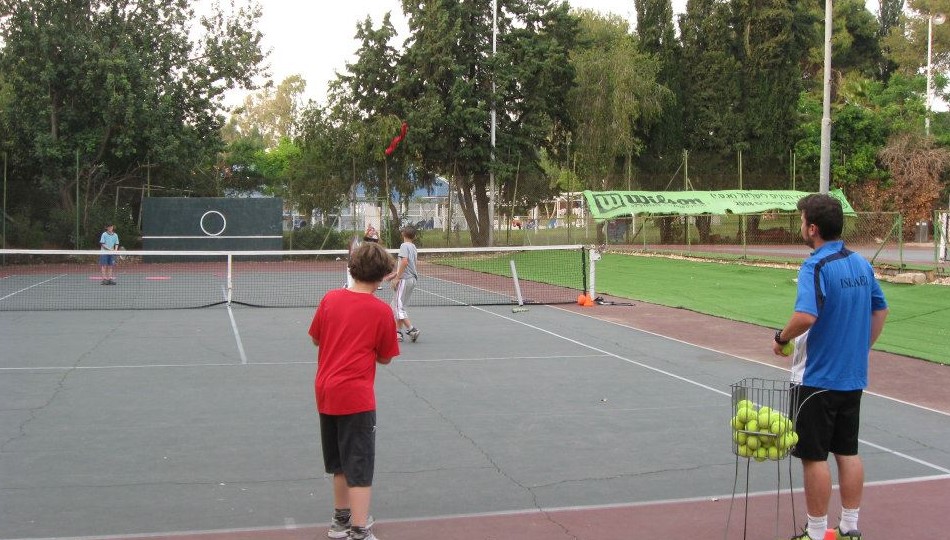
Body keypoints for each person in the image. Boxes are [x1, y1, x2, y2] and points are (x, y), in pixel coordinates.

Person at [773, 194, 888, 540]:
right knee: (847, 452)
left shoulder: (815, 266)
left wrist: (780, 337)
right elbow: (880, 310)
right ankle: (850, 528)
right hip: (851, 378)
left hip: (816, 380)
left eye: (802, 220)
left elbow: (806, 315)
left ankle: (817, 531)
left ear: (813, 228)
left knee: (813, 456)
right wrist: (861, 348)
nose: (800, 227)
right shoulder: (860, 264)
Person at [309, 241, 399, 540]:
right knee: (358, 462)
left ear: (352, 268)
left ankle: (340, 520)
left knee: (338, 462)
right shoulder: (381, 311)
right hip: (356, 398)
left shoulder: (330, 299)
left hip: (326, 393)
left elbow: (316, 339)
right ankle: (359, 530)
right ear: (384, 274)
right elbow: (385, 357)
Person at [385, 225, 421, 343]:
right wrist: (395, 274)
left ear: (403, 234)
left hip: (405, 279)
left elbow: (404, 262)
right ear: (414, 237)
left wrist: (397, 278)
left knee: (397, 306)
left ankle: (411, 329)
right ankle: (398, 333)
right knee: (397, 305)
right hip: (412, 279)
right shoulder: (413, 247)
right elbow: (411, 264)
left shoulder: (404, 246)